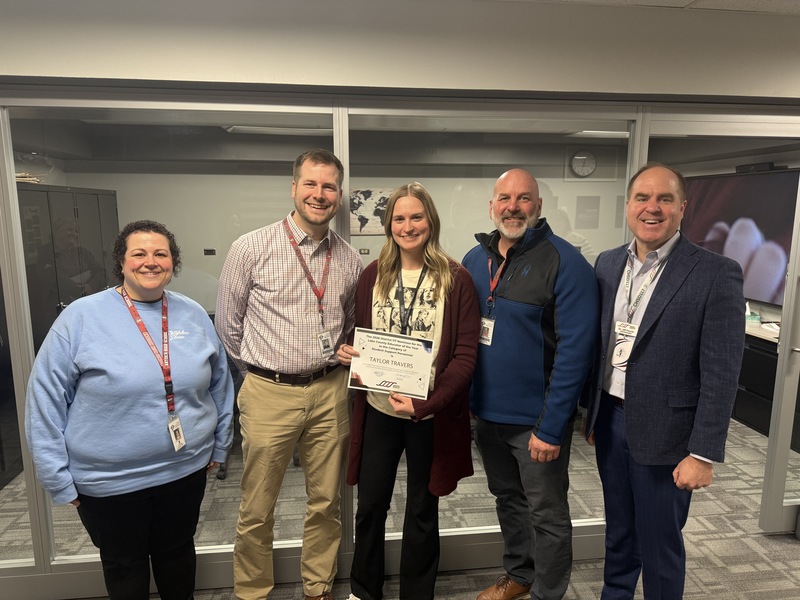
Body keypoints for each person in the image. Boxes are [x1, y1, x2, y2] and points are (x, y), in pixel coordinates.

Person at [25, 219, 234, 600]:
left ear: (174, 262)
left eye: (161, 254)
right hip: (109, 483)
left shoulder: (192, 315)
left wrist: (219, 446)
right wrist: (56, 476)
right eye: (138, 254)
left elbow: (220, 386)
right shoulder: (80, 318)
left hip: (184, 471)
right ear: (121, 263)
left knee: (178, 559)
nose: (150, 262)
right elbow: (45, 401)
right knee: (125, 569)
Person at [582, 163, 745, 599]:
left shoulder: (715, 272)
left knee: (659, 547)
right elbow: (602, 346)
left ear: (682, 208)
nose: (652, 208)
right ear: (629, 205)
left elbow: (722, 369)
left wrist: (703, 453)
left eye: (664, 199)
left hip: (669, 434)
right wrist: (595, 415)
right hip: (613, 422)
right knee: (618, 536)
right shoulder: (609, 263)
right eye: (642, 198)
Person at [215, 148, 362, 600]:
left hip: (331, 390)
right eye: (311, 184)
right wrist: (261, 372)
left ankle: (317, 587)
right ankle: (252, 591)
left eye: (329, 187)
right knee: (257, 506)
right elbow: (227, 325)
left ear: (339, 195)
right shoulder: (250, 247)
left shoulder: (350, 259)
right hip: (267, 392)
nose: (320, 195)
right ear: (294, 188)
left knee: (326, 502)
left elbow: (351, 323)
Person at [337, 182, 480, 600]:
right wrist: (352, 354)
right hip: (380, 411)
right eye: (399, 218)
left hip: (429, 416)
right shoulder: (372, 275)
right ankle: (364, 591)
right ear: (388, 225)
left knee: (422, 509)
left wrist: (426, 403)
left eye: (416, 216)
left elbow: (466, 358)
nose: (408, 225)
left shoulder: (456, 279)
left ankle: (417, 595)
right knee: (370, 508)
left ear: (430, 221)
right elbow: (363, 335)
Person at [462, 168, 599, 600]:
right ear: (492, 205)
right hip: (487, 416)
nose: (513, 206)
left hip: (535, 423)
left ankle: (548, 593)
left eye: (524, 198)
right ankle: (519, 576)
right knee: (508, 500)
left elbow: (576, 353)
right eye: (505, 197)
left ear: (538, 207)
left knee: (548, 513)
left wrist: (551, 426)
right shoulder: (473, 260)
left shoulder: (566, 262)